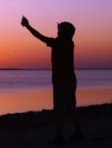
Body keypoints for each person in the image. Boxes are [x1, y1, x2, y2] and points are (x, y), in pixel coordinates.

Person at [21, 16, 84, 144]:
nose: (57, 31)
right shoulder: (70, 43)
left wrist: (27, 26)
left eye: (59, 29)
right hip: (70, 81)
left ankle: (59, 136)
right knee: (71, 108)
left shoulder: (59, 43)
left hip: (61, 82)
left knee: (59, 109)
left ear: (63, 32)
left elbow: (39, 36)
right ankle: (77, 133)